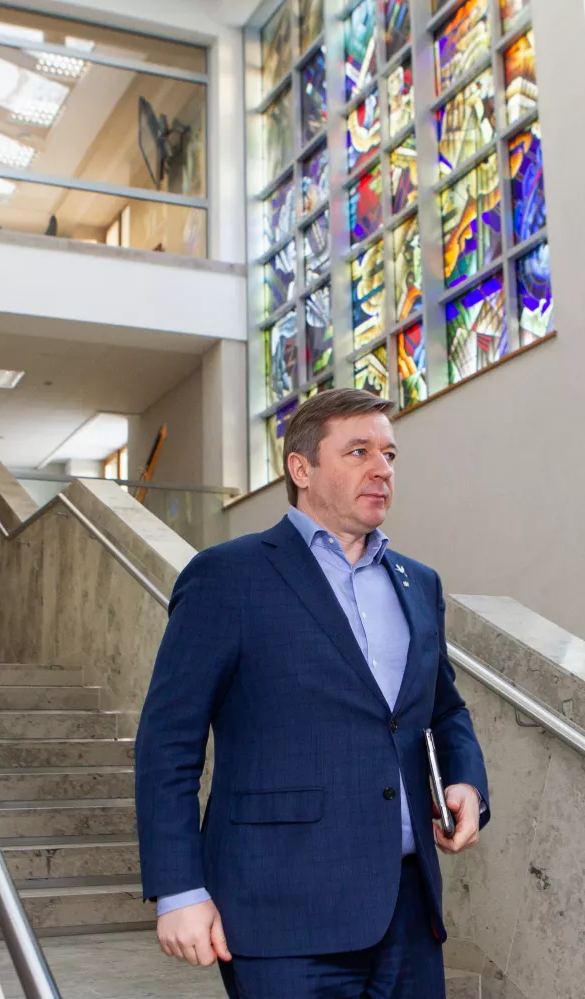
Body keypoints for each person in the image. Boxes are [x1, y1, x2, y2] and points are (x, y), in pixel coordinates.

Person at [135, 388, 491, 998]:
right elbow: (169, 742)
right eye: (358, 452)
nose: (382, 469)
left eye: (389, 455)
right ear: (302, 469)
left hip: (407, 909)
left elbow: (444, 708)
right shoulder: (228, 576)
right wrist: (179, 890)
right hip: (279, 914)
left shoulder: (419, 583)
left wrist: (466, 782)